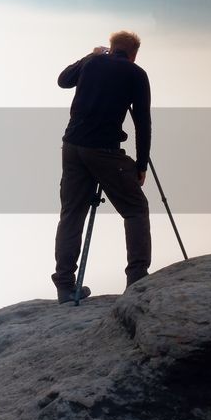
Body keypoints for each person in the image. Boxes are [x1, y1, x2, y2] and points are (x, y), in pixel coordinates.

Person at [51, 30, 151, 303]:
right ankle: (137, 280)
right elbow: (142, 122)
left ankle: (64, 285)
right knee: (135, 209)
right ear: (133, 54)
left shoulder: (92, 63)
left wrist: (89, 57)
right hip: (104, 152)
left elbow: (63, 81)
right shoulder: (136, 74)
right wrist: (141, 164)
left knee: (72, 214)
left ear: (110, 47)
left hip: (72, 147)